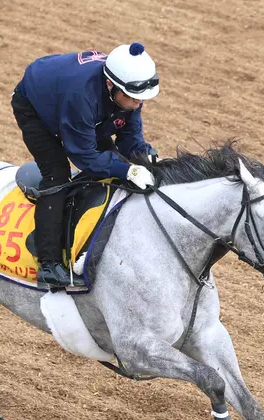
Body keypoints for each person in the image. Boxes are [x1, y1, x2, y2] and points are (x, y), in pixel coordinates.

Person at [11, 42, 159, 289]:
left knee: (115, 163)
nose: (136, 104)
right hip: (36, 107)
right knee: (57, 174)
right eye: (132, 98)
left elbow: (129, 141)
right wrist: (128, 170)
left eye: (140, 99)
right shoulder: (81, 96)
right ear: (110, 85)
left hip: (79, 106)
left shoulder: (128, 91)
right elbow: (84, 156)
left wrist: (148, 158)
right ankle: (48, 265)